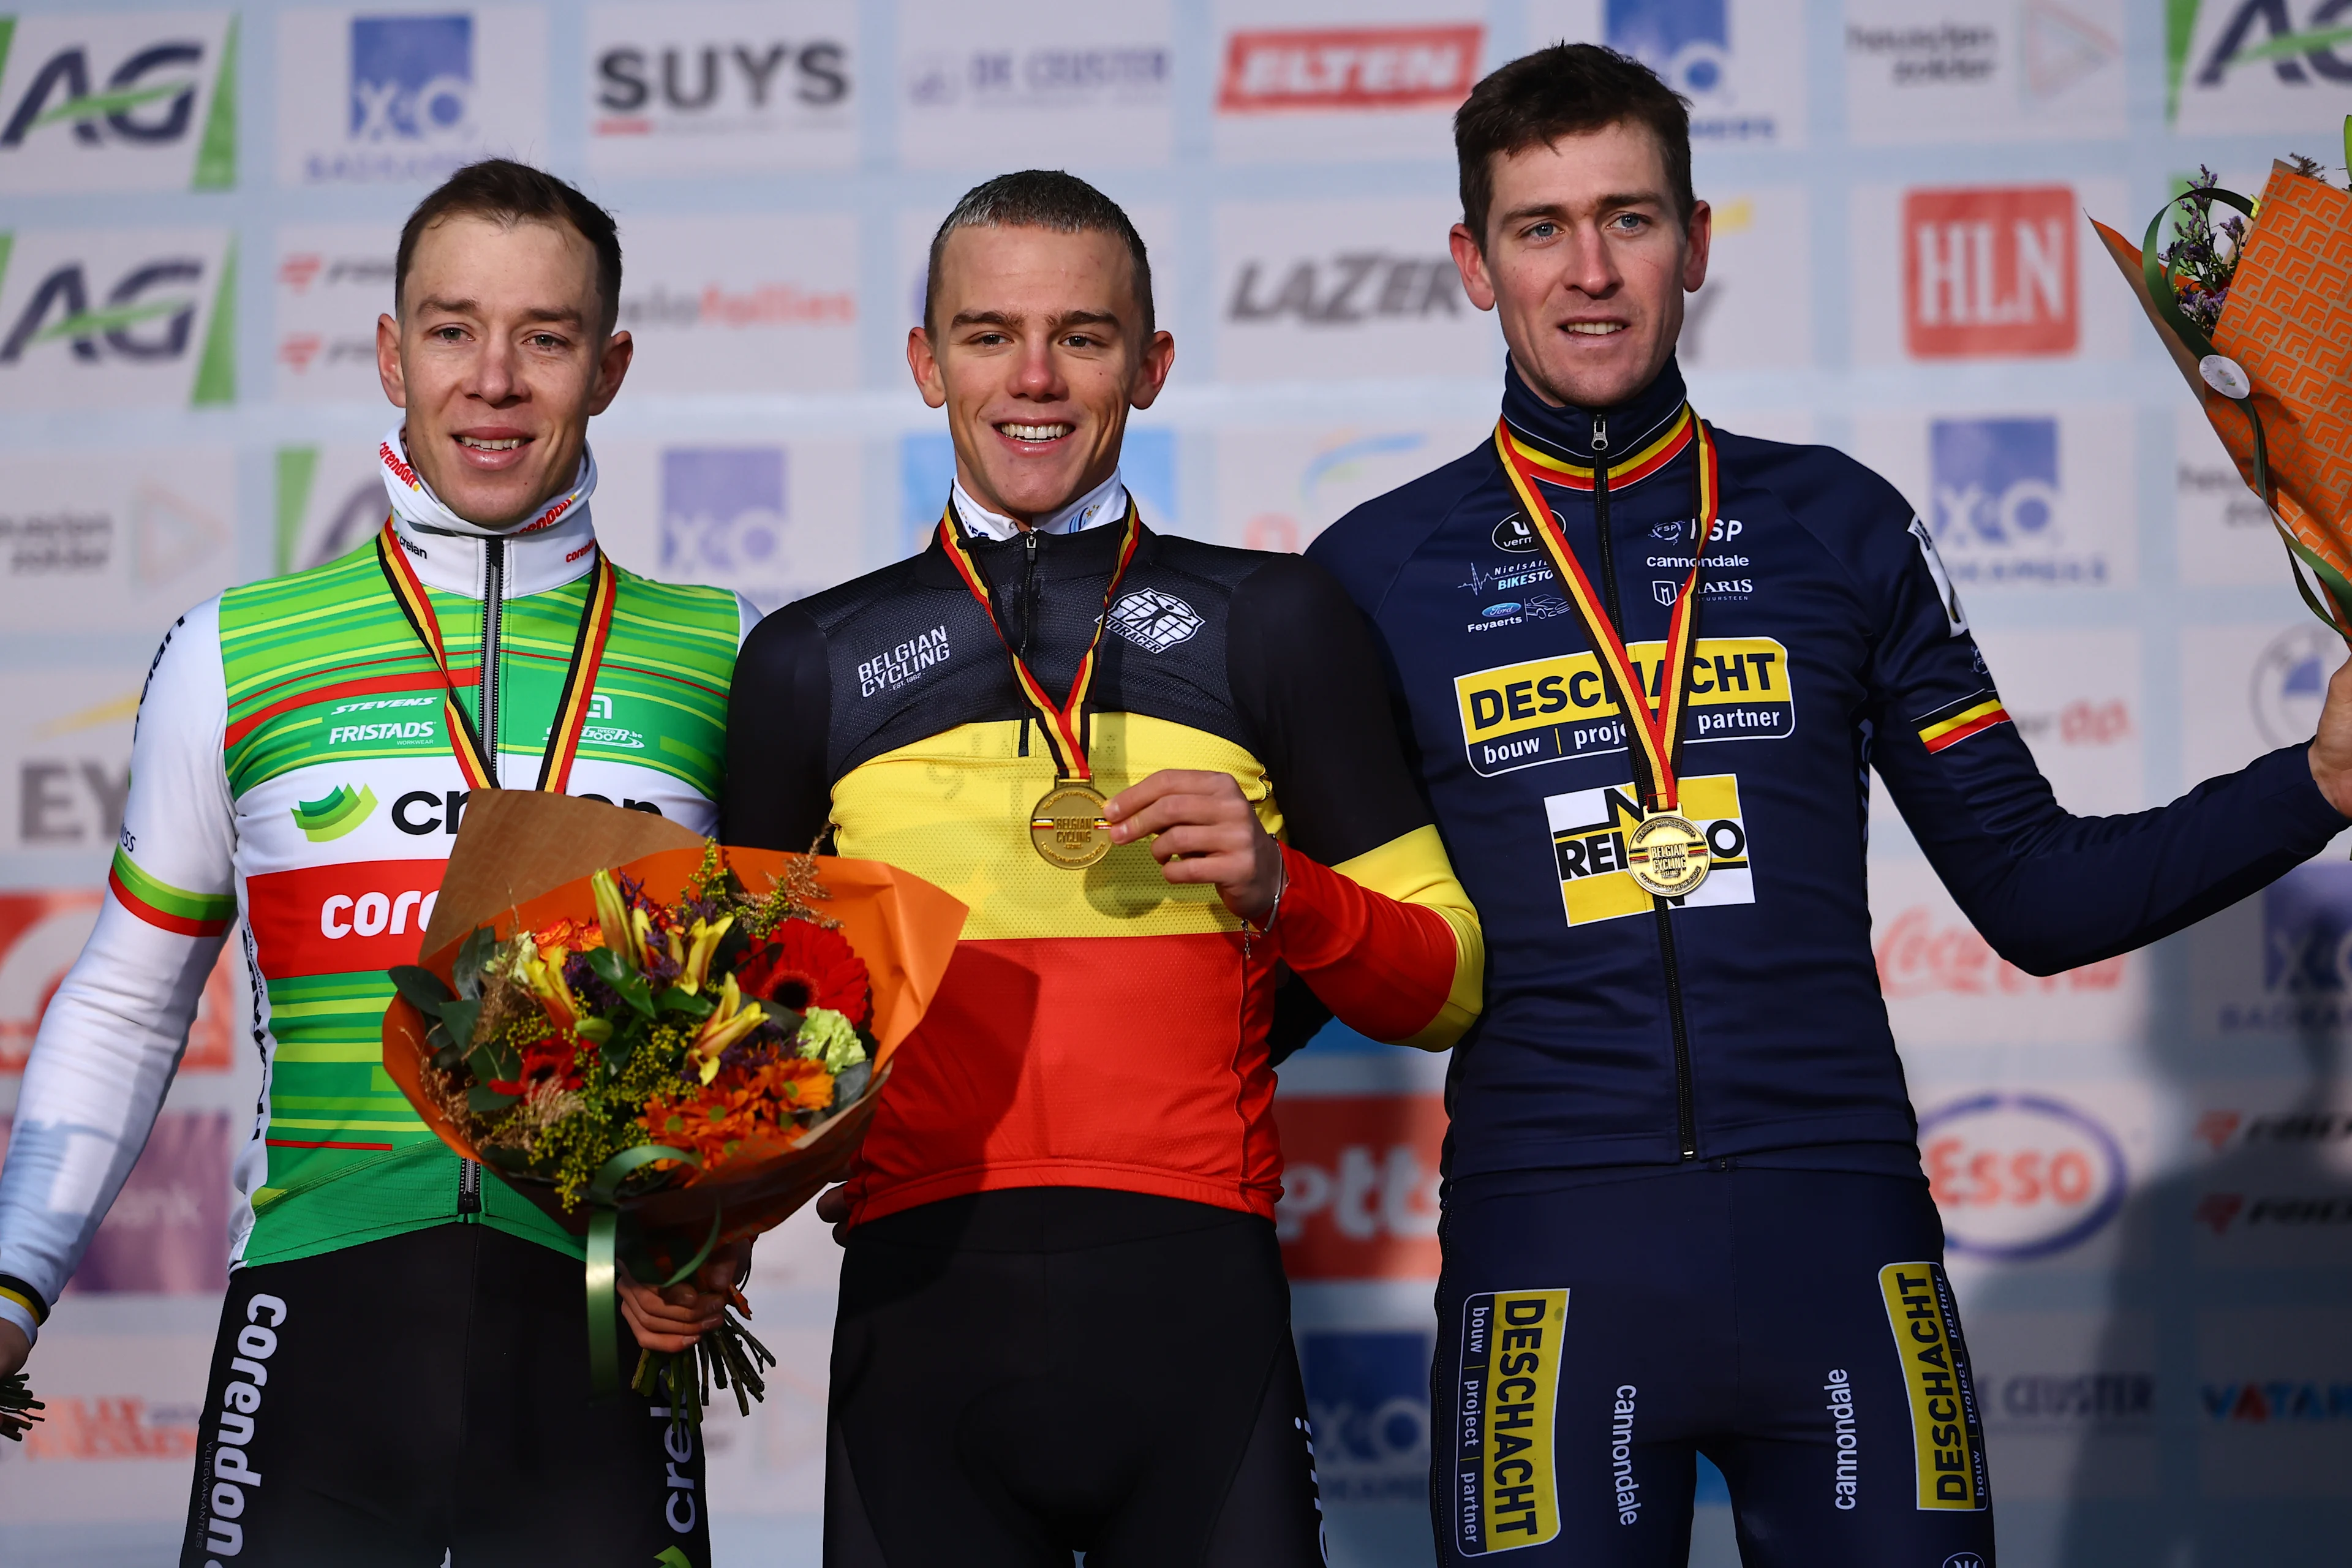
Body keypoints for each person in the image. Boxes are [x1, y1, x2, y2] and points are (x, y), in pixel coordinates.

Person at [1306, 44, 2352, 1568]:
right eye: (1541, 227)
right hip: (1553, 1264)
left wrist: (2316, 783)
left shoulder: (1837, 524)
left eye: (1631, 219)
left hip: (1842, 1242)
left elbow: (2039, 891)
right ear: (1476, 263)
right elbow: (1319, 951)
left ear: (1699, 242)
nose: (1590, 271)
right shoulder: (1373, 574)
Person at [0, 159, 758, 1567]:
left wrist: (716, 1220)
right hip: (318, 1312)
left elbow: (790, 1012)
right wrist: (14, 1277)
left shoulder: (724, 649)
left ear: (611, 366)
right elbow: (127, 997)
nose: (495, 378)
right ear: (388, 353)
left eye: (546, 335)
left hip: (597, 1316)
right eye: (453, 327)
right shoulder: (238, 648)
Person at [723, 169, 1485, 1567]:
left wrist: (1281, 886)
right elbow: (744, 1041)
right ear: (924, 360)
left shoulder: (1276, 617)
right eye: (986, 332)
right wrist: (719, 1204)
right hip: (920, 1314)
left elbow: (1446, 984)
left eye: (1081, 335)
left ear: (1151, 363)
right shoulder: (804, 664)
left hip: (1198, 1320)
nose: (1033, 376)